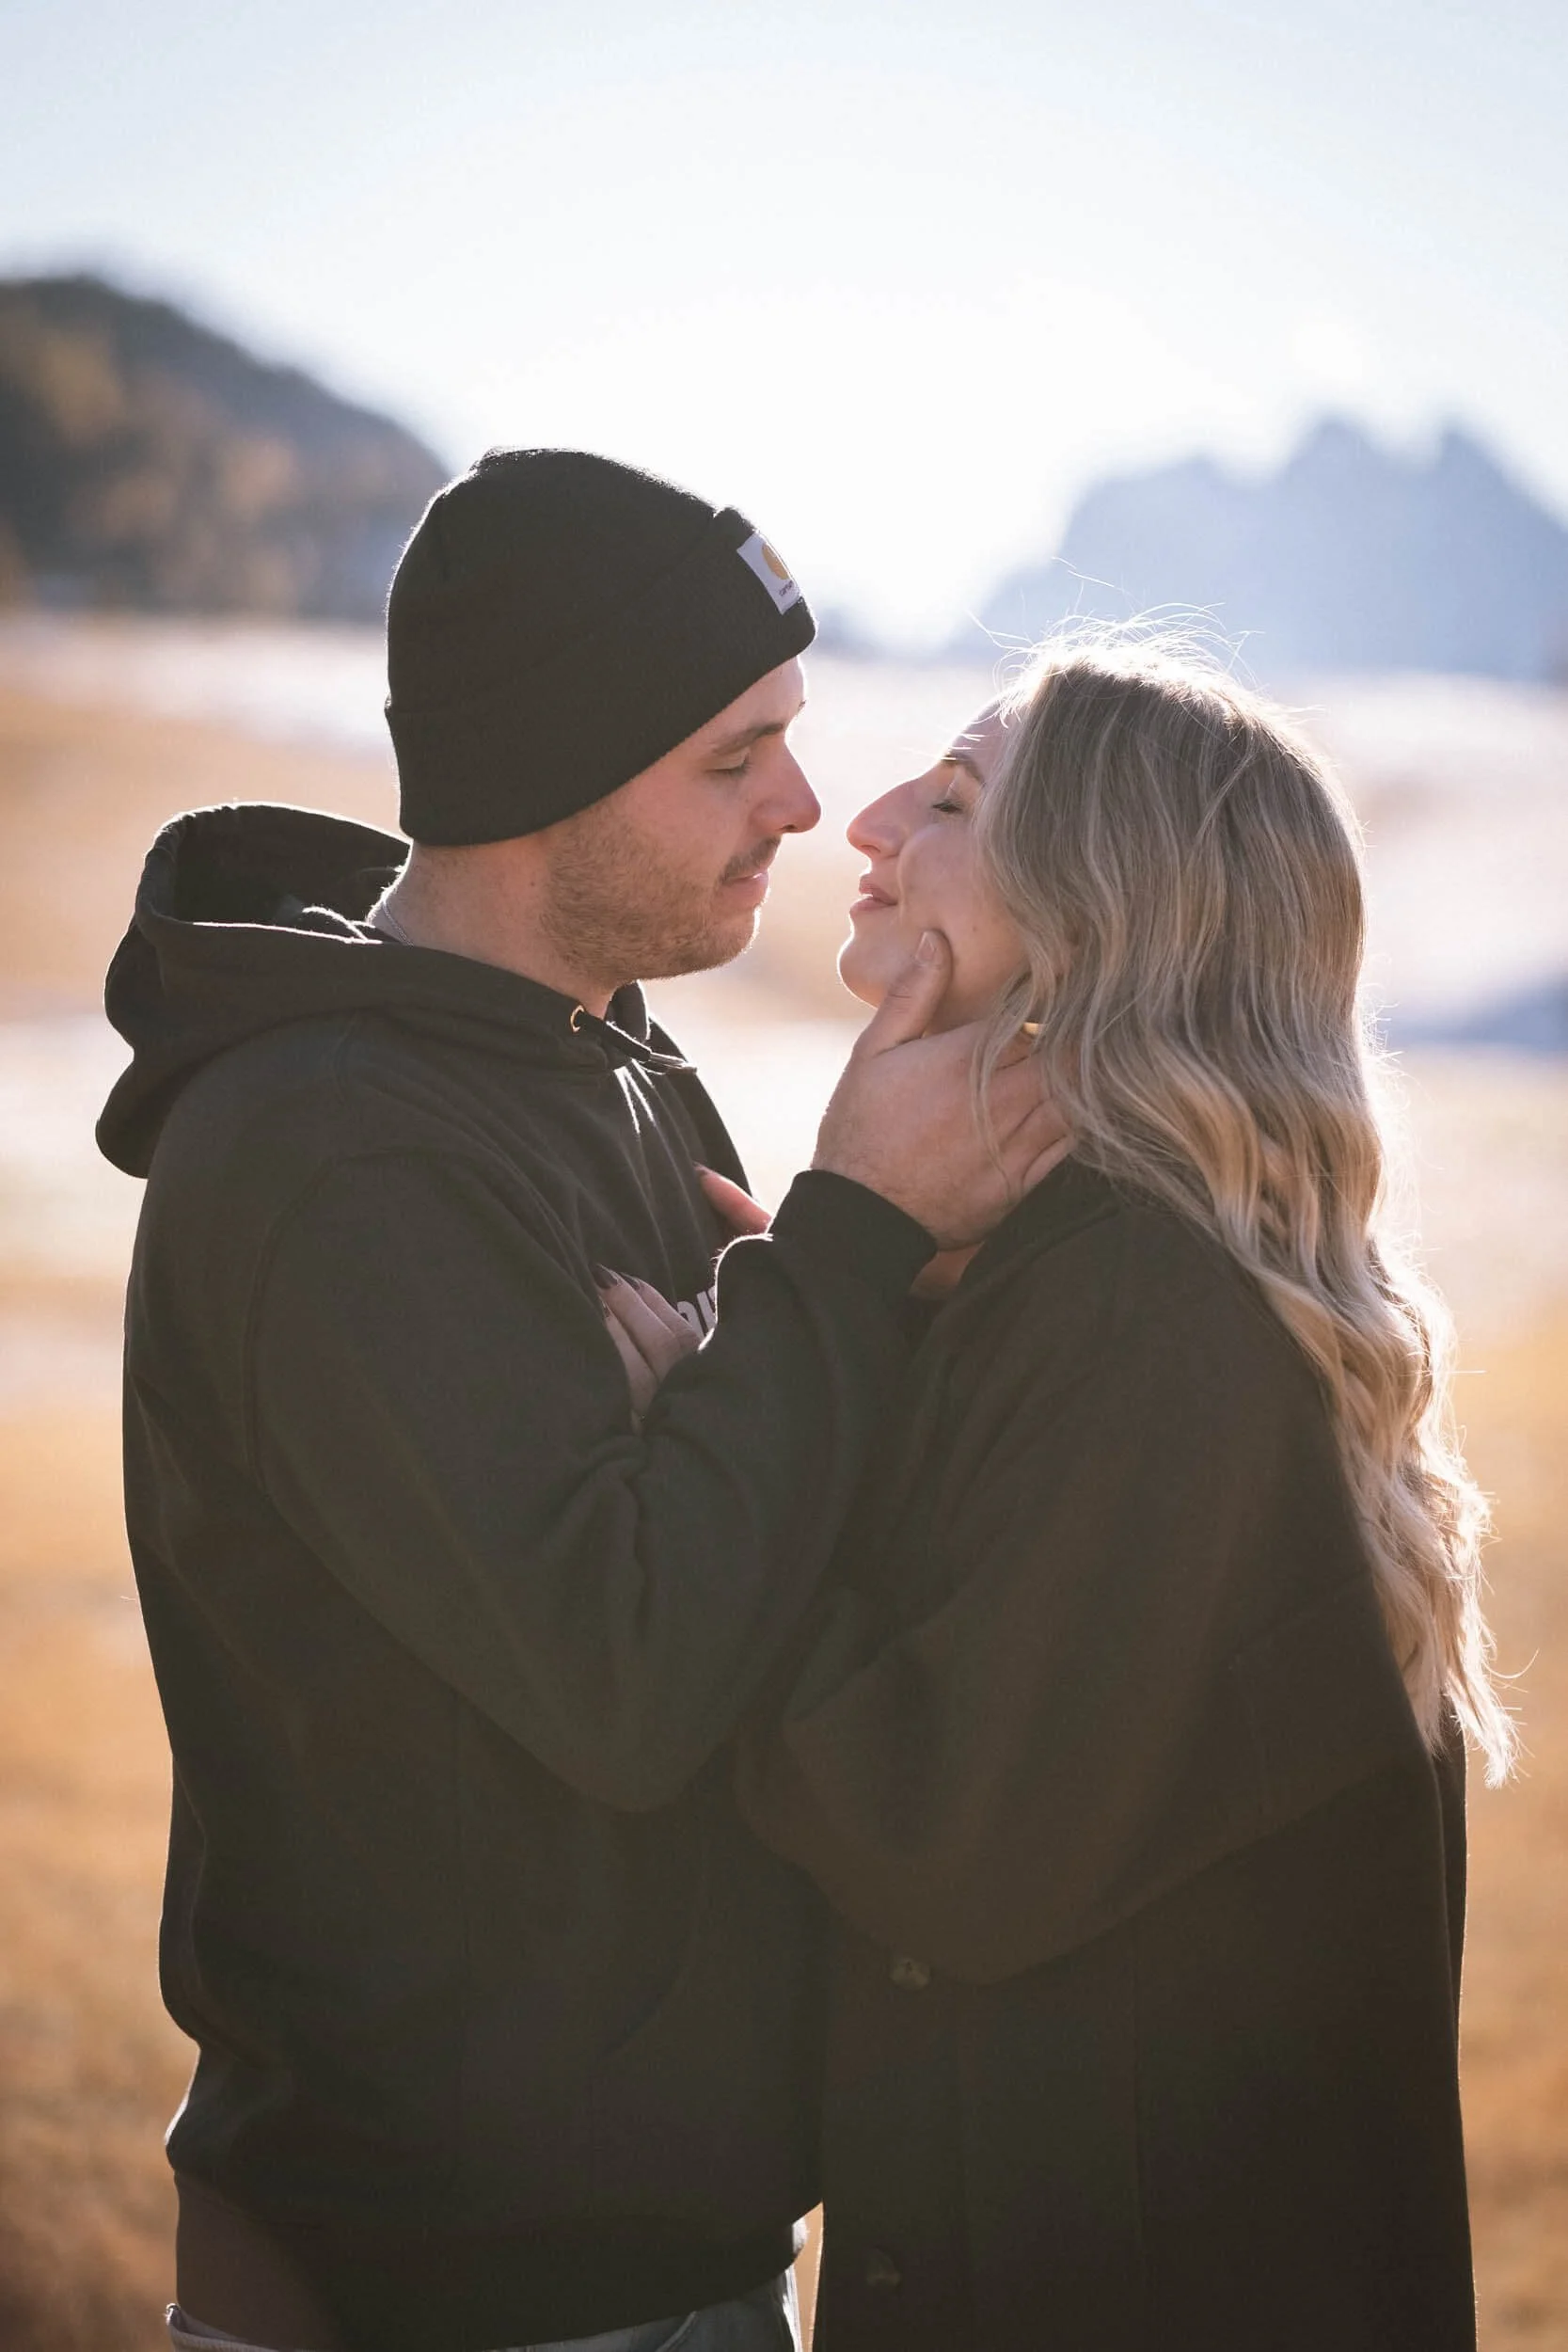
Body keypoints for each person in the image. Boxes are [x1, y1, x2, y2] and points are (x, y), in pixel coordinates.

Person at [95, 450, 1066, 2352]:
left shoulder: (609, 1062)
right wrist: (846, 1245)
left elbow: (747, 1540)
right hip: (441, 2288)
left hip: (649, 2256)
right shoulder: (334, 1151)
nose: (803, 802)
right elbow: (626, 1673)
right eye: (731, 756)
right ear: (543, 768)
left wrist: (784, 1342)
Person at [646, 639, 1513, 2349]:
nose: (871, 816)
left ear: (1101, 912)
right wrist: (841, 1313)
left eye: (954, 798)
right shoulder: (1108, 1283)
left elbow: (939, 1831)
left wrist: (712, 1434)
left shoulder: (1151, 1306)